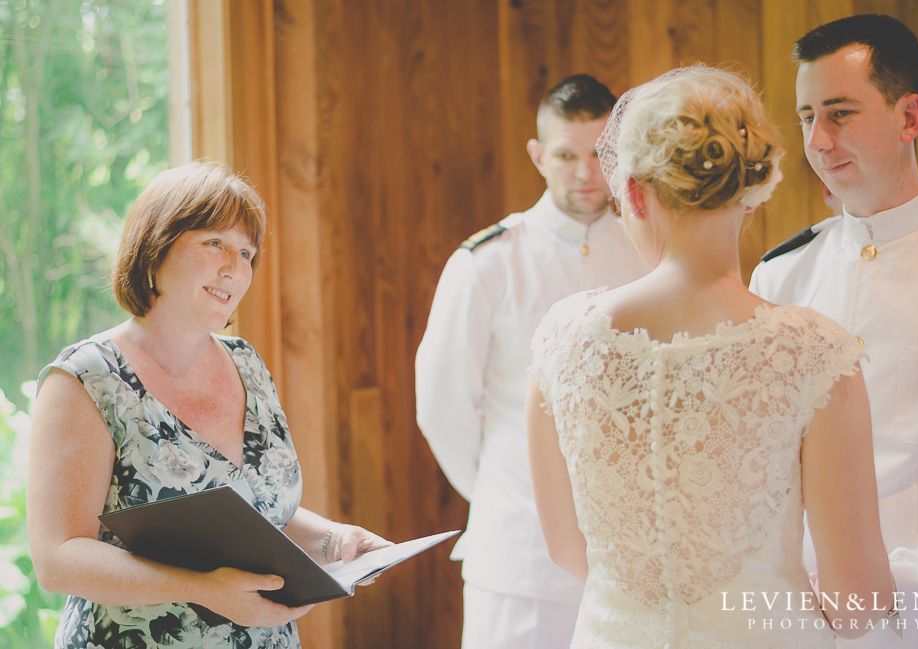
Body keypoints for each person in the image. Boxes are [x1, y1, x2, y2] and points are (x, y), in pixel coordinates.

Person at [526, 66, 896, 648]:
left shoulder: (560, 337)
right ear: (751, 192)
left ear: (636, 194)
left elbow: (566, 547)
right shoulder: (812, 353)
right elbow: (860, 601)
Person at [27, 161, 391, 649]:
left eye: (246, 253)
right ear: (154, 249)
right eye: (214, 243)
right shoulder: (87, 379)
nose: (234, 267)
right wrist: (203, 590)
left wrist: (333, 540)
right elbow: (58, 558)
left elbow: (249, 507)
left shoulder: (247, 364)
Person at [749, 14, 918, 647]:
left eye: (840, 112)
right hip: (798, 618)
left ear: (910, 117)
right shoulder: (779, 277)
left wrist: (890, 589)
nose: (817, 141)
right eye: (804, 117)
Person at [415, 74, 648, 649]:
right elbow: (443, 407)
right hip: (516, 553)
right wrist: (503, 492)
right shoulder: (488, 262)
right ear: (539, 156)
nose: (586, 173)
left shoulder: (649, 252)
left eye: (599, 154)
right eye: (566, 155)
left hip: (629, 552)